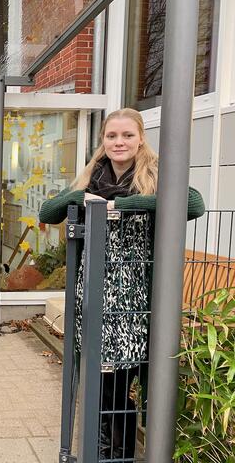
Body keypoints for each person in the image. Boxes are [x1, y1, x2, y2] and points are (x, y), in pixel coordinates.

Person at [39, 108, 204, 460]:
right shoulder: (91, 177)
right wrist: (80, 199)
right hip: (95, 296)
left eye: (127, 135)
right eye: (112, 136)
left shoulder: (157, 175)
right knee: (100, 385)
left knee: (120, 387)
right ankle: (103, 450)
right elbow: (46, 212)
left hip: (136, 302)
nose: (119, 142)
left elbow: (194, 203)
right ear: (103, 141)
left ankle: (117, 453)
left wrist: (123, 205)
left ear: (141, 138)